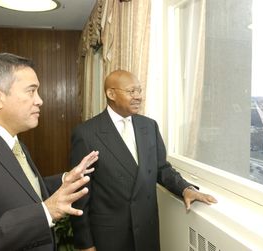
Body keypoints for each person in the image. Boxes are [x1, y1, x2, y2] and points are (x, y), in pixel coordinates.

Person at [0, 53, 99, 251]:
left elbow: (21, 189)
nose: (40, 100)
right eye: (31, 91)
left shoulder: (16, 143)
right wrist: (46, 212)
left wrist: (65, 180)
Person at [70, 70, 218, 251]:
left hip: (146, 231)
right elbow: (80, 194)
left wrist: (185, 188)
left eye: (139, 91)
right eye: (132, 91)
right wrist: (85, 244)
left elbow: (161, 168)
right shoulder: (86, 133)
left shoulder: (149, 126)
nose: (139, 96)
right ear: (111, 94)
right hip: (110, 237)